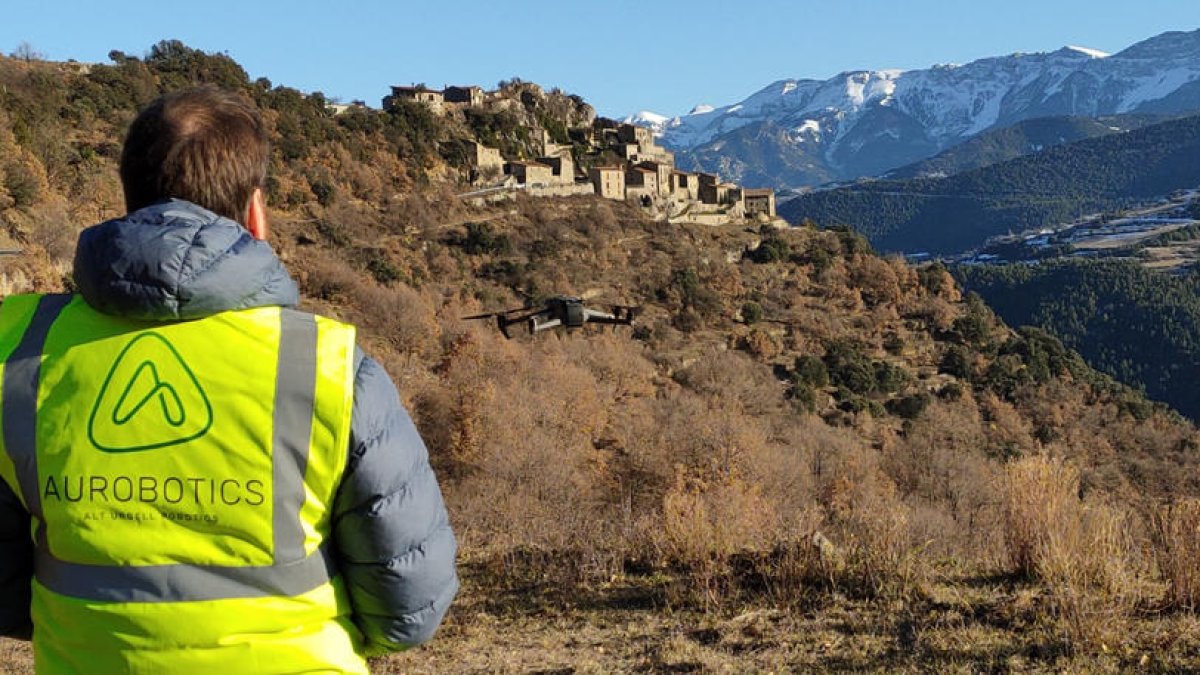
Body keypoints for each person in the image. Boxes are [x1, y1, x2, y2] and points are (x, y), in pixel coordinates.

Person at [0, 85, 458, 673]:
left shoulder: (19, 350)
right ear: (257, 213)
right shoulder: (331, 369)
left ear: (128, 199)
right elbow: (408, 607)